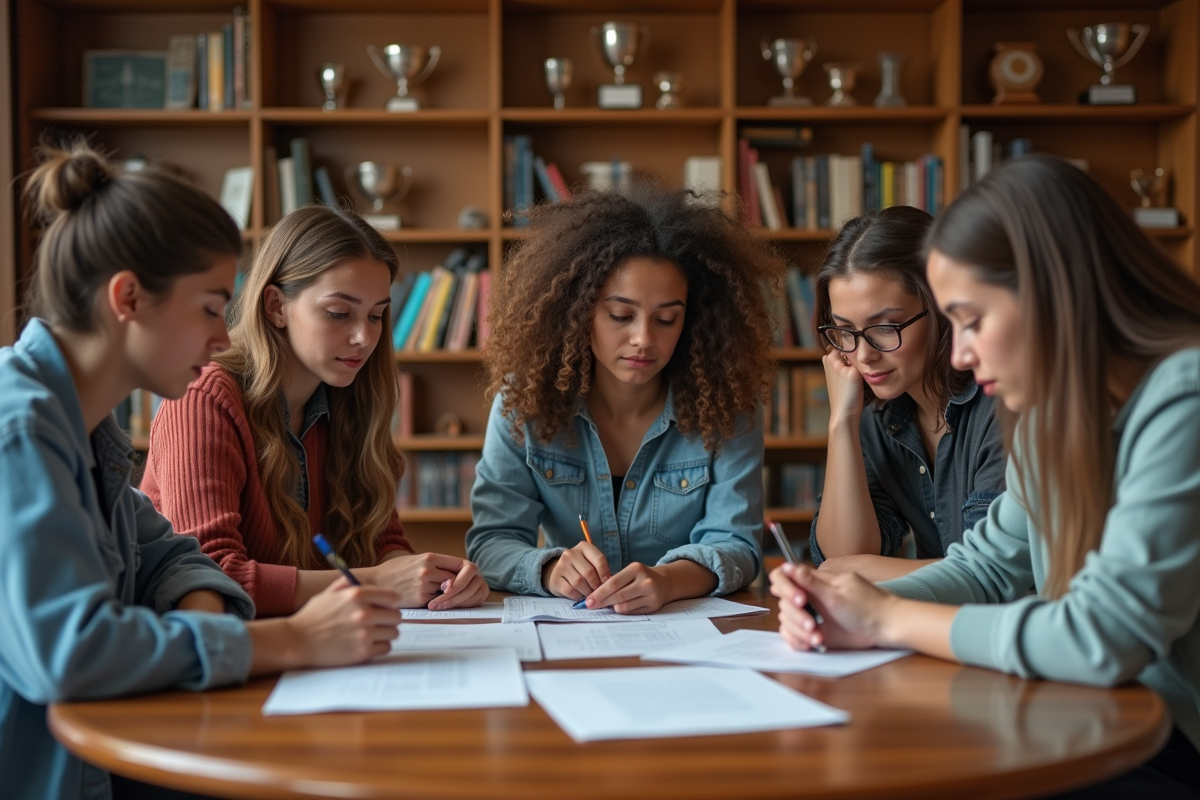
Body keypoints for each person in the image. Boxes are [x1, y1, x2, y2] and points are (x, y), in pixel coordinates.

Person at [771, 155, 1200, 798]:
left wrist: (885, 616)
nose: (963, 352)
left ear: (1054, 294)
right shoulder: (1055, 412)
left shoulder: (1184, 398)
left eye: (972, 320)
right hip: (1096, 715)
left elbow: (1104, 635)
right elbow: (986, 570)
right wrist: (848, 610)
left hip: (1168, 738)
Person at [0, 142, 404, 800]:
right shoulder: (20, 429)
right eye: (211, 307)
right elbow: (67, 655)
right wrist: (291, 642)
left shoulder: (85, 425)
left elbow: (169, 555)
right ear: (129, 298)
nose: (222, 337)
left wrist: (203, 611)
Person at [142, 205, 488, 616]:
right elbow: (209, 578)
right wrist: (376, 581)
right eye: (339, 313)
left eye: (376, 315)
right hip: (221, 649)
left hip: (317, 640)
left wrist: (434, 579)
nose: (364, 337)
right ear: (276, 306)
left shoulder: (352, 398)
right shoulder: (202, 398)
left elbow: (381, 543)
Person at [466, 182, 783, 613]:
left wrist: (668, 581)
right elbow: (492, 541)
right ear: (579, 311)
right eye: (620, 315)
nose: (643, 339)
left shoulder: (728, 407)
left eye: (666, 319)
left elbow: (737, 545)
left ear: (691, 320)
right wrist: (551, 569)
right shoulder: (525, 401)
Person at [809, 206, 1005, 582]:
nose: (863, 355)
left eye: (885, 327)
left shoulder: (1002, 406)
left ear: (942, 309)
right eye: (844, 331)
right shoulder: (878, 418)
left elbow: (996, 575)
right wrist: (841, 423)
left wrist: (862, 571)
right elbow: (843, 554)